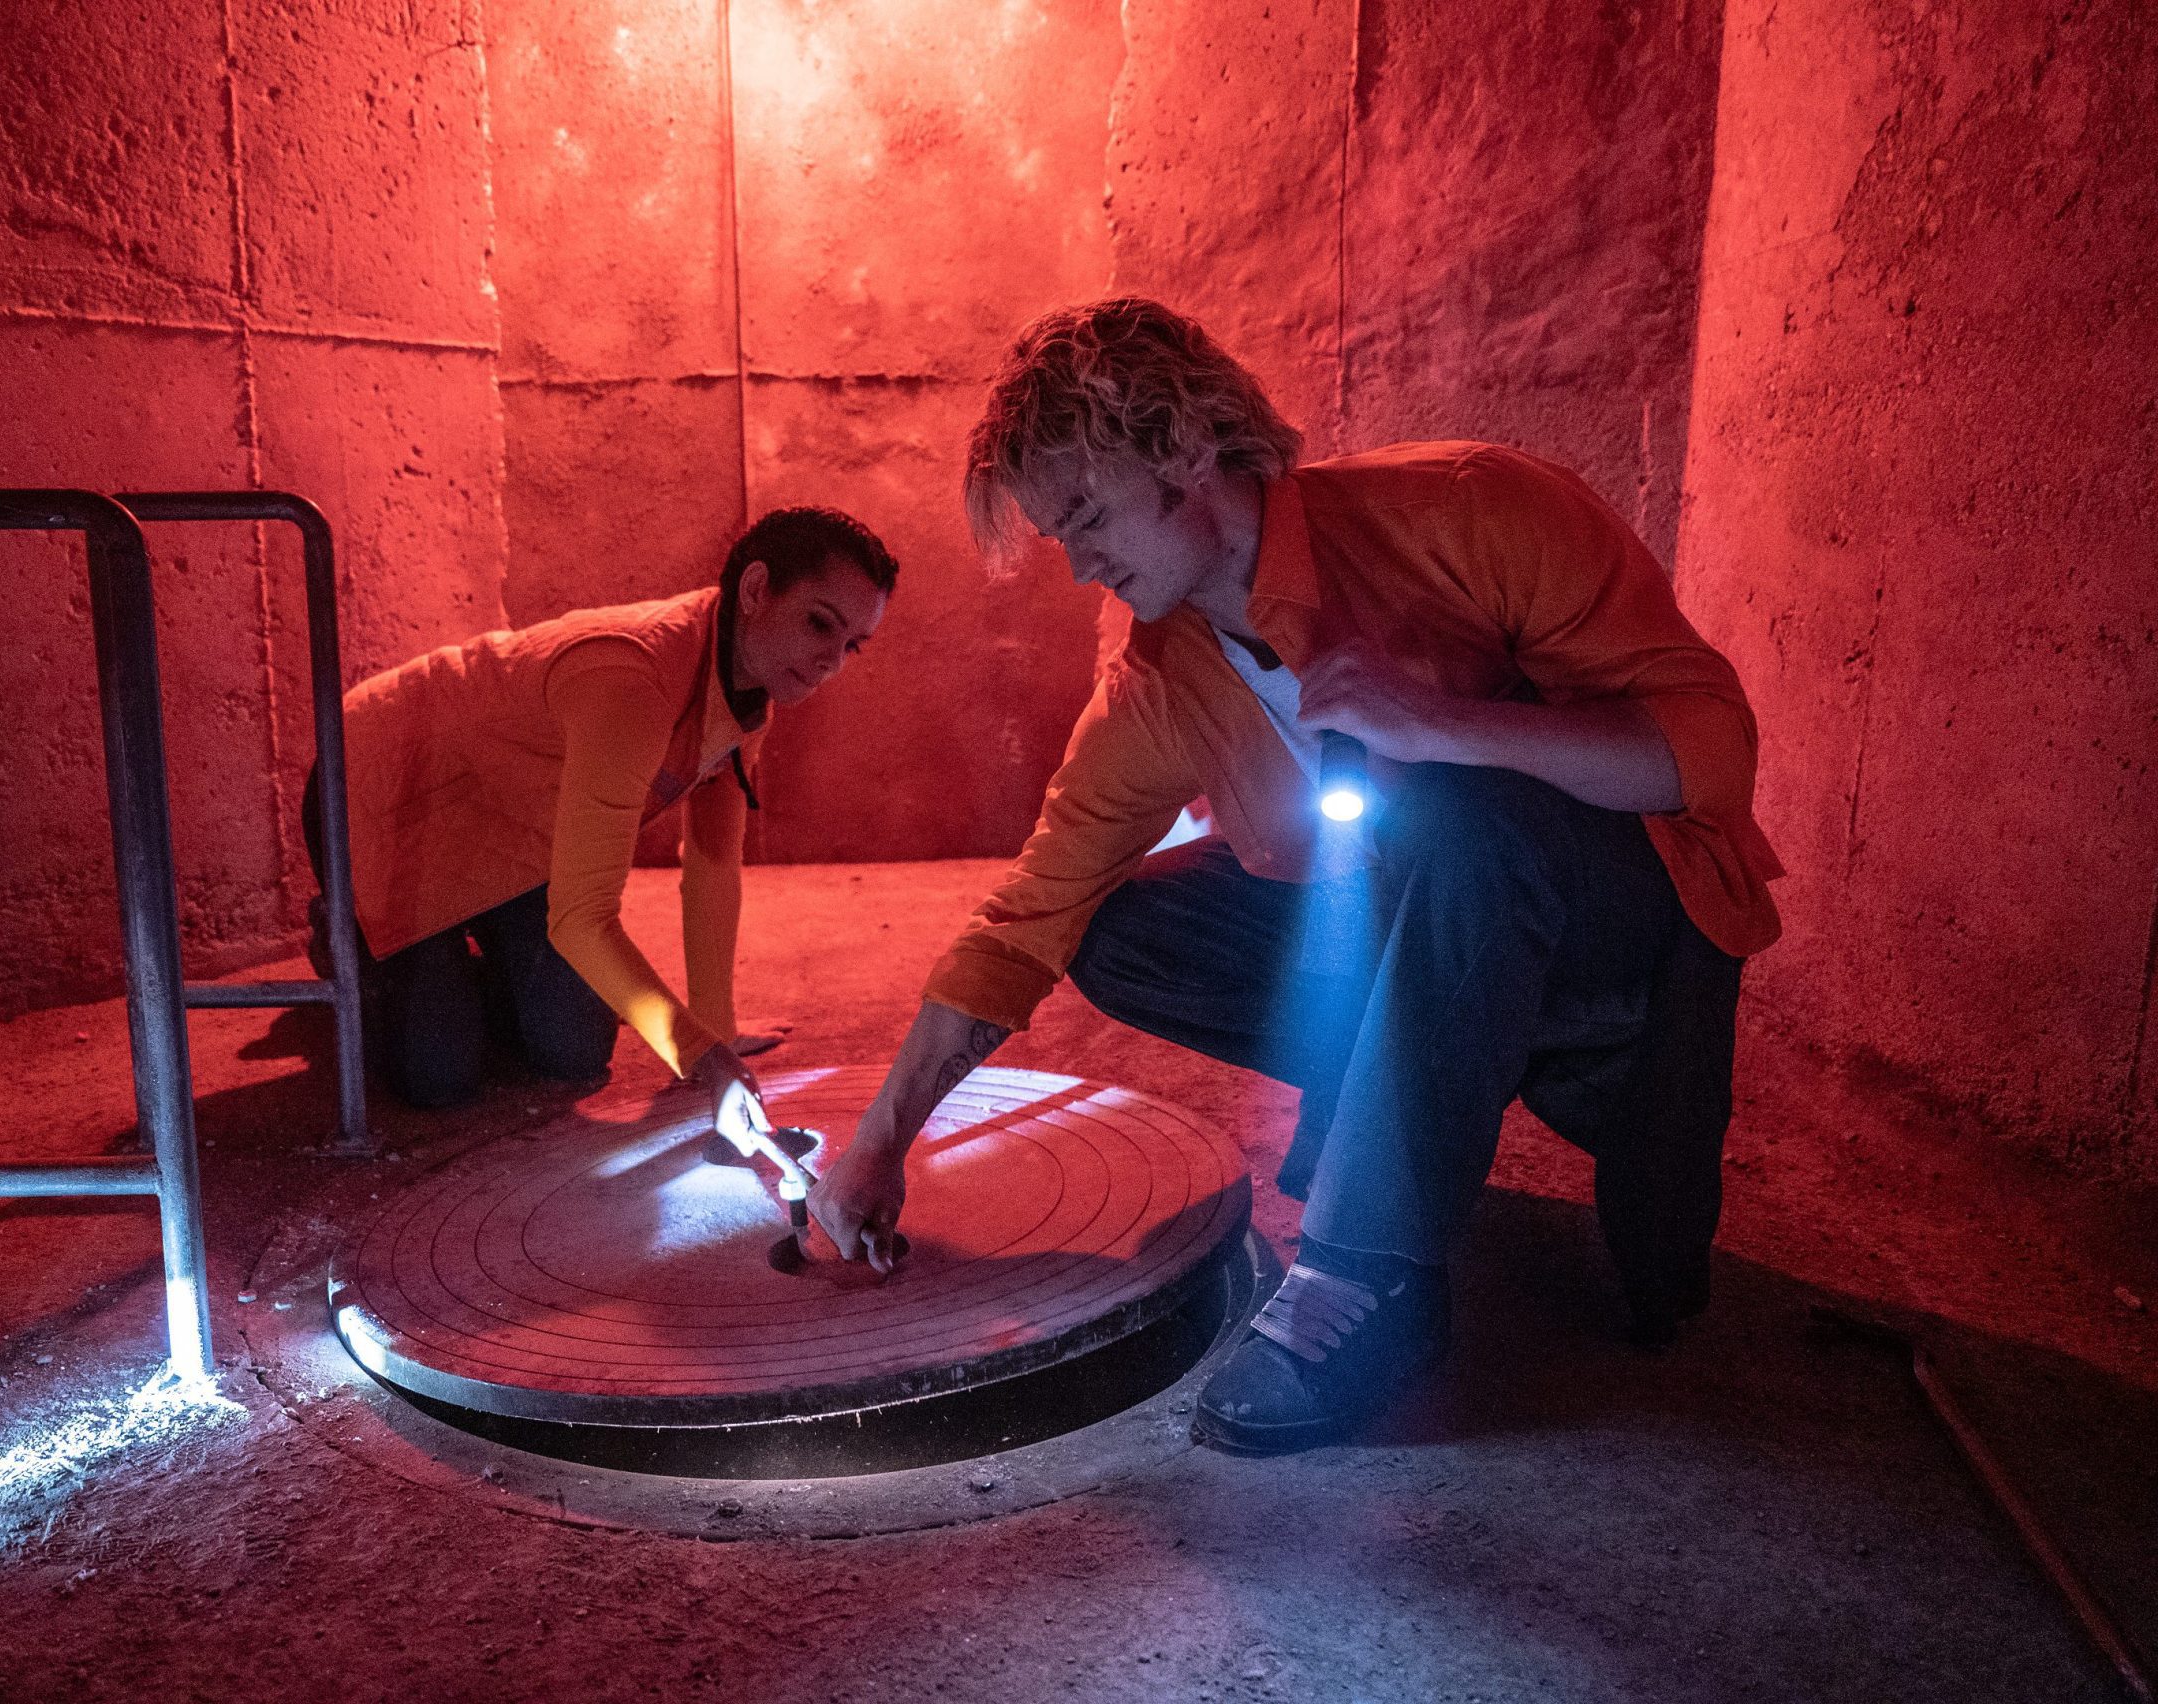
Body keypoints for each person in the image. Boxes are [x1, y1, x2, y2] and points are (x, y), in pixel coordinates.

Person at [807, 298, 1781, 1454]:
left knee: (1458, 818)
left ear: (1182, 448)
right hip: (1422, 944)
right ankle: (1410, 1105)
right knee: (1119, 924)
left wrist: (1449, 723)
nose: (1077, 567)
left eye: (1084, 517)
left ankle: (1366, 1277)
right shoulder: (1161, 681)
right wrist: (881, 1136)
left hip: (1623, 923)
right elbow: (1028, 917)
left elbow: (1712, 755)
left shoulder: (1475, 509)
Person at [313, 506, 896, 1144]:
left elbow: (711, 862)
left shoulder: (749, 692)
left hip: (516, 834)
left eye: (851, 644)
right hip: (378, 794)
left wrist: (714, 1028)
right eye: (820, 624)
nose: (830, 663)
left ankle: (455, 962)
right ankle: (346, 935)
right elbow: (581, 917)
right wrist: (703, 1061)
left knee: (574, 1051)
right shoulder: (633, 678)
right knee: (439, 1077)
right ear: (756, 590)